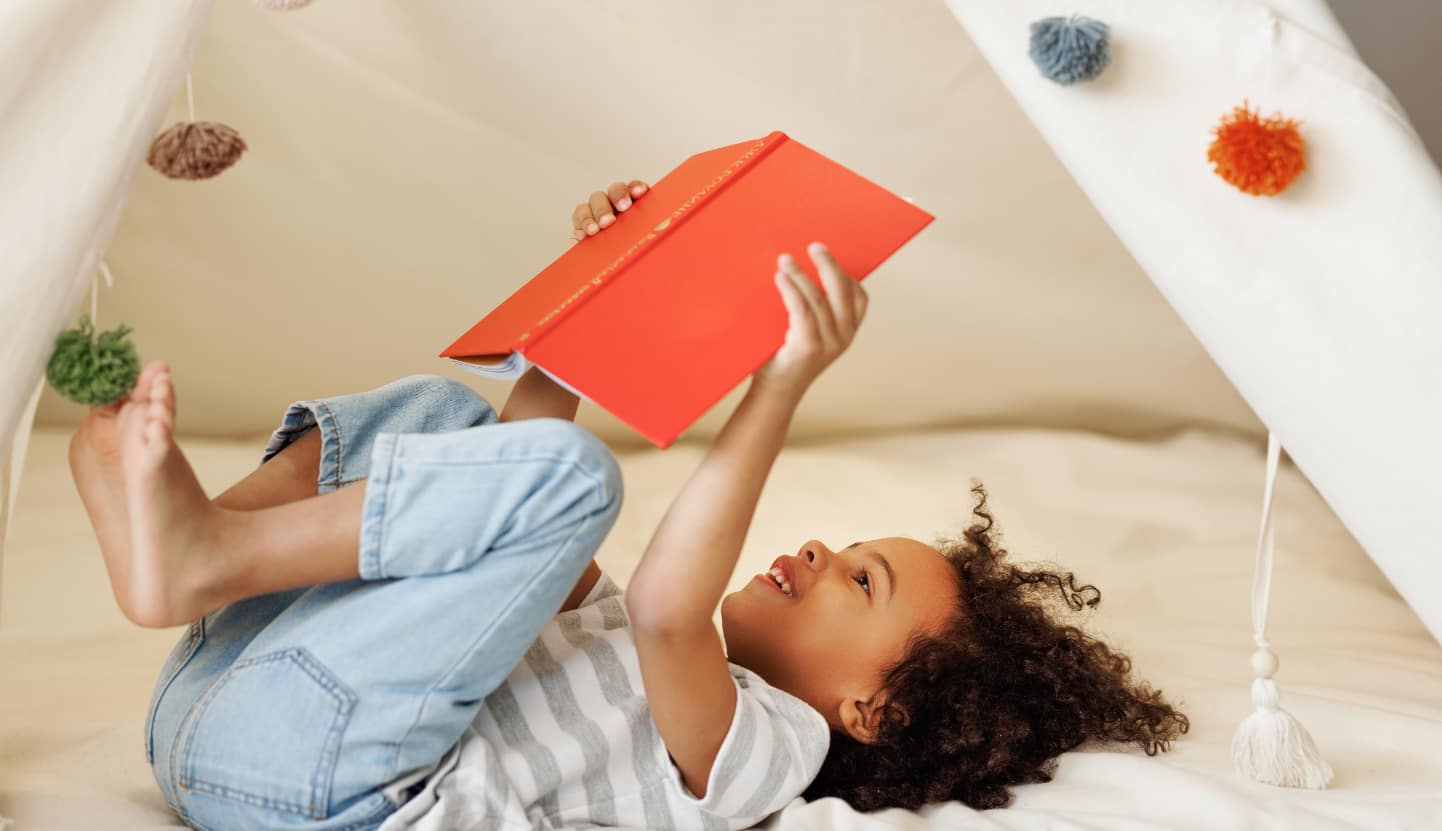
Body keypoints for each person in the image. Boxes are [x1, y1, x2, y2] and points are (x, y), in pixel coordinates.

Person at [68, 178, 1187, 831]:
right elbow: (501, 468)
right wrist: (615, 282)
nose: (816, 547)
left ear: (872, 710)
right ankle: (196, 545)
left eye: (859, 577)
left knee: (573, 489)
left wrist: (783, 379)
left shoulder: (765, 755)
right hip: (226, 707)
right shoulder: (616, 646)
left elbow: (664, 601)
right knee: (449, 420)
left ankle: (200, 555)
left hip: (327, 789)